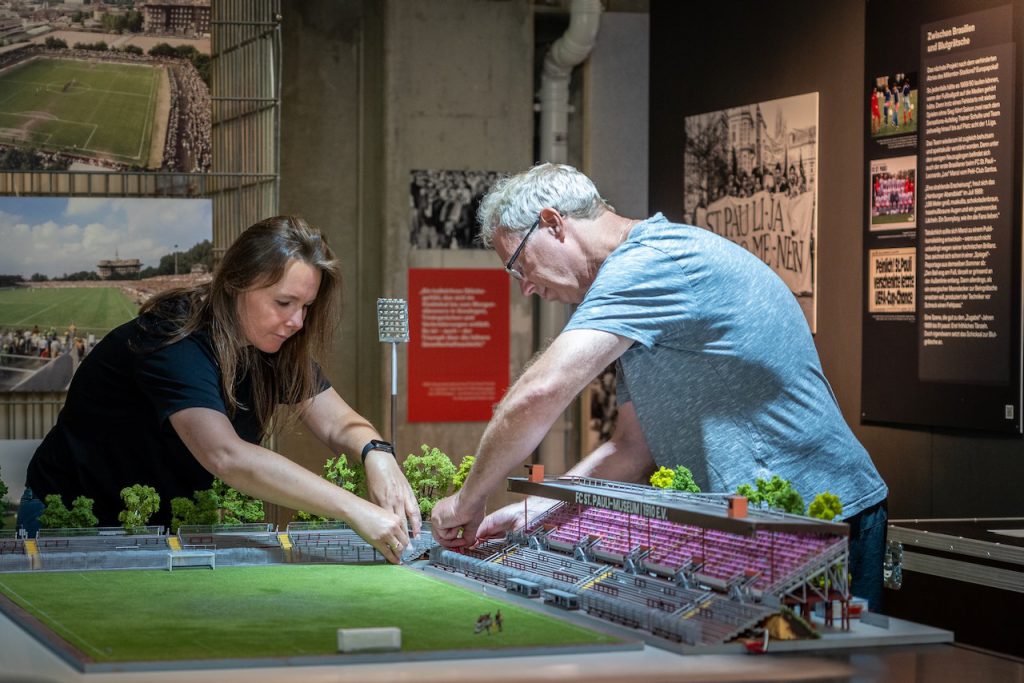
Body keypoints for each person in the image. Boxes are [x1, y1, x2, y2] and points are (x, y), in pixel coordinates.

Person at [430, 163, 889, 609]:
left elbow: (540, 391)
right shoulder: (636, 284)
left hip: (817, 520)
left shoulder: (650, 262)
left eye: (518, 264)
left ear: (552, 224)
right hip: (761, 527)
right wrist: (539, 508)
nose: (526, 287)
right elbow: (633, 448)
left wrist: (467, 500)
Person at [18, 216, 420, 563]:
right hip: (75, 517)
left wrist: (377, 453)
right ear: (235, 285)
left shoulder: (274, 344)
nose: (297, 321)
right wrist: (353, 509)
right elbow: (226, 455)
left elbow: (336, 422)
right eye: (283, 303)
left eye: (306, 306)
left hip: (161, 522)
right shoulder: (174, 337)